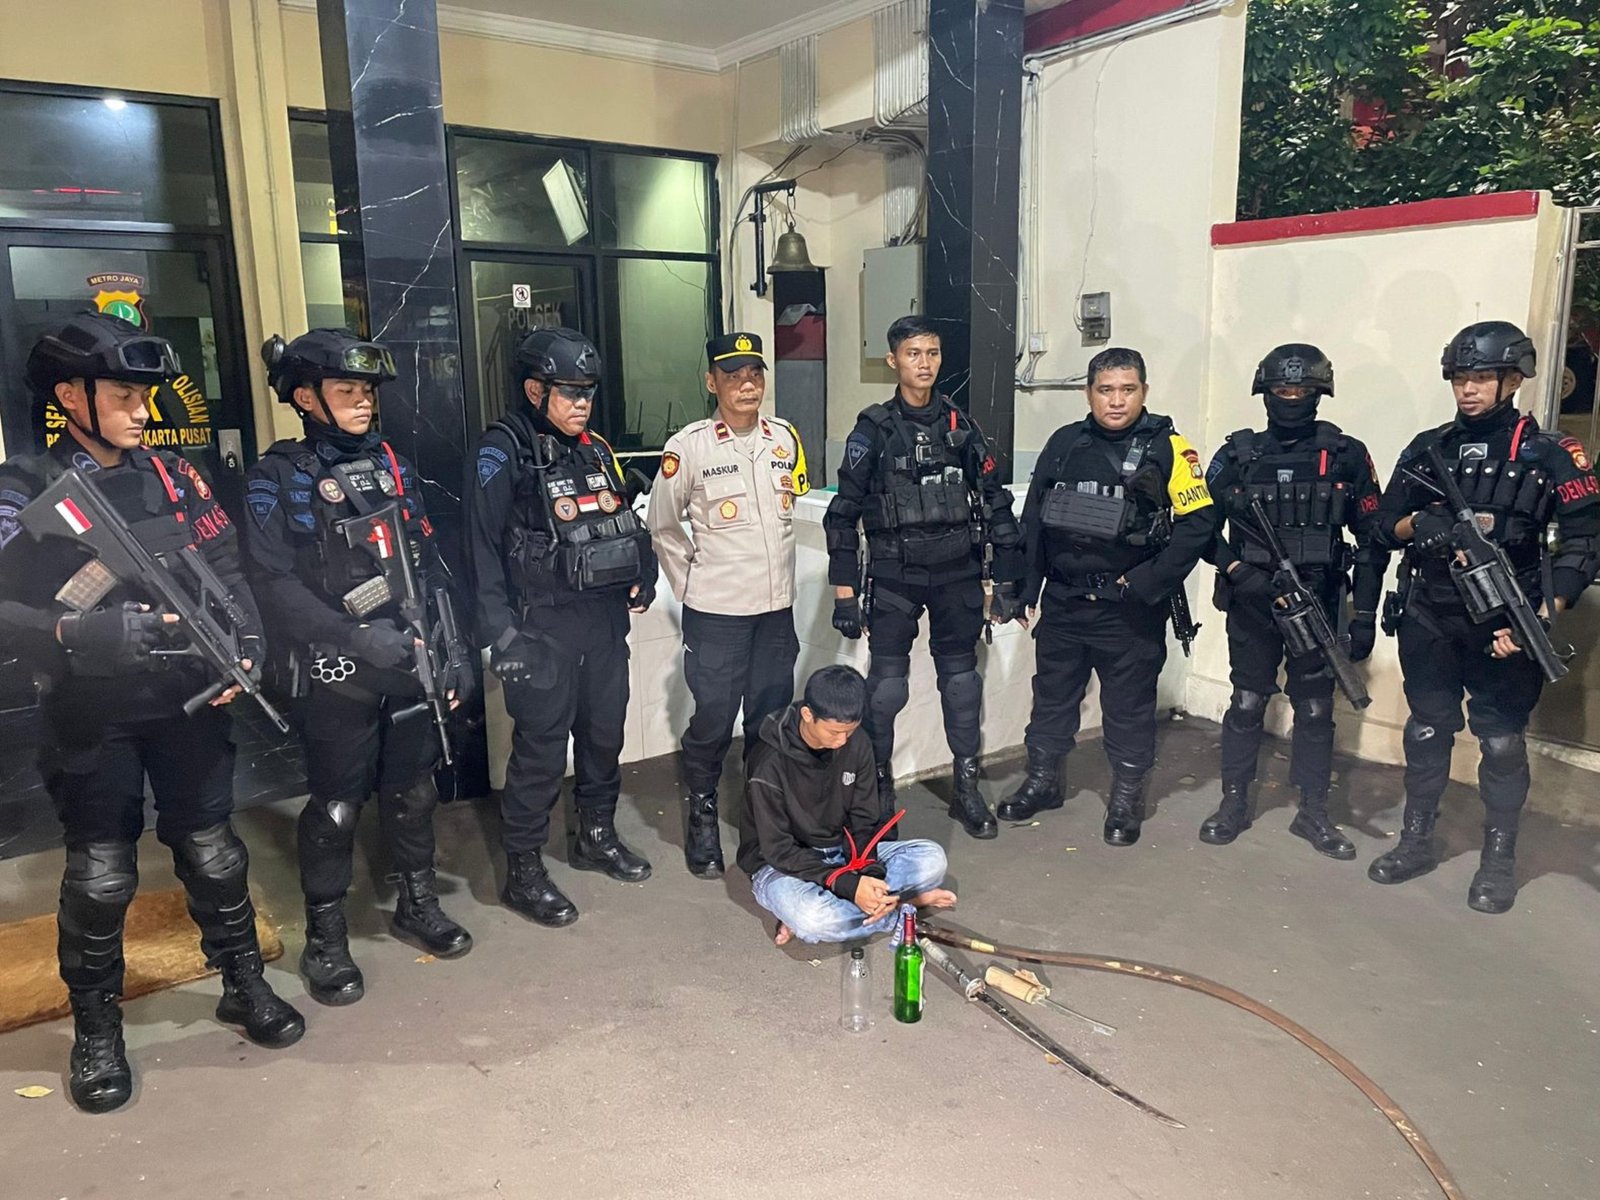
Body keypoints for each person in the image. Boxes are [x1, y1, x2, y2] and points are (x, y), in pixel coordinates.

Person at [0, 312, 302, 1113]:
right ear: (70, 397)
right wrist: (72, 630)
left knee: (213, 851)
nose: (143, 411)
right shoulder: (23, 488)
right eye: (124, 396)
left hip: (185, 704)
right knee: (102, 876)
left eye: (147, 396)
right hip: (90, 713)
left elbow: (226, 564)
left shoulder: (175, 475)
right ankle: (98, 1030)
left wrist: (247, 645)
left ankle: (243, 982)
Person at [242, 329, 475, 1007]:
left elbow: (427, 561)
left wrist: (454, 647)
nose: (364, 402)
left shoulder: (391, 464)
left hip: (407, 654)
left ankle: (417, 902)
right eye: (347, 390)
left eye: (368, 391)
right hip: (336, 666)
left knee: (412, 790)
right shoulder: (275, 477)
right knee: (338, 806)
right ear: (306, 398)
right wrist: (350, 637)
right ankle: (326, 937)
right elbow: (271, 584)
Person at [1369, 321, 1600, 913]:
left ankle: (1498, 858)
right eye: (1459, 379)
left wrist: (1540, 618)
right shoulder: (1427, 449)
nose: (1468, 390)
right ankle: (1415, 840)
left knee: (1499, 742)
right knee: (1427, 729)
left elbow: (1584, 542)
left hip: (1505, 621)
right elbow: (1382, 525)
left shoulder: (1549, 453)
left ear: (1514, 380)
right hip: (1431, 614)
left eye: (1481, 378)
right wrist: (1419, 525)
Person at [466, 326, 658, 927]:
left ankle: (595, 836)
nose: (582, 403)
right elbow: (480, 551)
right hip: (540, 630)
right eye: (570, 392)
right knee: (541, 751)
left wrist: (645, 571)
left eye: (588, 392)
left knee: (604, 736)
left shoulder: (595, 449)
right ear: (534, 390)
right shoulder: (503, 451)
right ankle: (523, 870)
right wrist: (500, 636)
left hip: (602, 624)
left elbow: (622, 519)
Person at [822, 315, 1025, 840]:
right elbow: (842, 516)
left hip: (957, 573)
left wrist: (1007, 580)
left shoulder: (961, 425)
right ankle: (877, 795)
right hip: (895, 575)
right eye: (913, 354)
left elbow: (994, 501)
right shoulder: (873, 430)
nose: (925, 363)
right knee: (886, 690)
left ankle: (966, 789)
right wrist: (844, 594)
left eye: (932, 353)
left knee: (962, 685)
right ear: (893, 360)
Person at [1005, 346, 1213, 846]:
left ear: (1144, 391)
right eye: (1105, 390)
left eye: (1127, 390)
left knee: (1129, 709)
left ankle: (1126, 799)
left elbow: (1198, 525)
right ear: (1088, 393)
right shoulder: (1064, 443)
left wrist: (1146, 582)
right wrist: (1026, 587)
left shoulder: (1170, 447)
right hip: (1064, 601)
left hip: (1129, 611)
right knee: (1052, 699)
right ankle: (1044, 780)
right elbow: (1034, 519)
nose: (1116, 401)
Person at [1197, 344, 1387, 857]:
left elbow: (1372, 538)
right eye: (1283, 389)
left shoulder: (1346, 455)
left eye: (1302, 390)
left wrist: (1365, 615)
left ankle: (1314, 812)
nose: (1292, 398)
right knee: (1247, 701)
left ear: (1319, 394)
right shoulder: (1236, 456)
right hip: (1253, 600)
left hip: (1319, 599)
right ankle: (1234, 802)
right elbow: (1198, 527)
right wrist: (1236, 570)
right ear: (1265, 393)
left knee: (1316, 708)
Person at [645, 332, 808, 879]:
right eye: (733, 375)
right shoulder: (689, 447)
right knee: (714, 718)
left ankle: (762, 818)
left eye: (755, 373)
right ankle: (703, 812)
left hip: (775, 612)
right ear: (712, 382)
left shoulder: (783, 438)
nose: (747, 384)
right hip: (716, 613)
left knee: (769, 719)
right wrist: (691, 586)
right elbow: (663, 526)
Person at [737, 665, 956, 946]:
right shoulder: (767, 763)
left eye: (849, 732)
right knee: (813, 918)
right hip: (781, 864)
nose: (842, 741)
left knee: (931, 859)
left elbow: (863, 820)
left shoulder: (857, 742)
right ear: (808, 715)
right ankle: (900, 911)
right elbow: (778, 849)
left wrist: (870, 875)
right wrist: (850, 886)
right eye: (834, 732)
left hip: (842, 851)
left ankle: (859, 906)